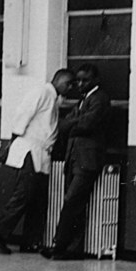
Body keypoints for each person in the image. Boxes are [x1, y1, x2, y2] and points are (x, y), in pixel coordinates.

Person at [0, 68, 76, 255]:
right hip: (30, 149)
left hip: (43, 153)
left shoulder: (53, 99)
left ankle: (30, 241)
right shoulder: (42, 92)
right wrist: (11, 144)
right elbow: (22, 115)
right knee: (24, 194)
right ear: (57, 79)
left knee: (38, 199)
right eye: (68, 83)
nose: (70, 88)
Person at [41, 63, 111, 260]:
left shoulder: (100, 99)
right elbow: (66, 124)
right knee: (74, 204)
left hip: (87, 159)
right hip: (73, 158)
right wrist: (74, 122)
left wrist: (72, 123)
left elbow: (87, 123)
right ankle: (71, 248)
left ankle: (60, 246)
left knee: (71, 201)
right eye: (78, 80)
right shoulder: (84, 100)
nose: (80, 83)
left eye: (85, 80)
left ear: (95, 80)